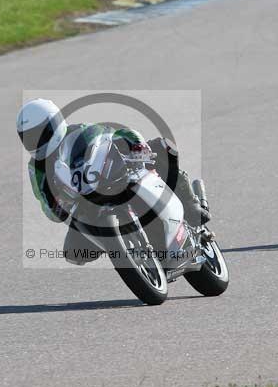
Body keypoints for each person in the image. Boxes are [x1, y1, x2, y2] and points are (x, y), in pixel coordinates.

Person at [17, 98, 209, 265]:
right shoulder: (36, 168)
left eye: (40, 134)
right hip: (85, 204)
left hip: (114, 177)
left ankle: (191, 203)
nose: (36, 142)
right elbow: (44, 200)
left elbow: (119, 134)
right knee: (73, 251)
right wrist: (56, 208)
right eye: (29, 138)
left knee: (162, 148)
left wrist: (137, 145)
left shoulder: (82, 131)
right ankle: (127, 251)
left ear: (55, 123)